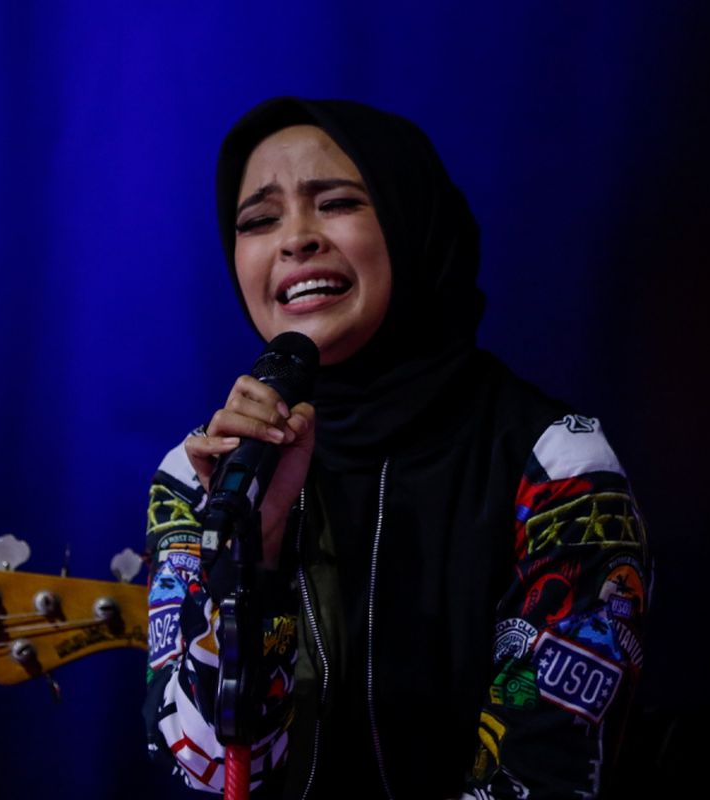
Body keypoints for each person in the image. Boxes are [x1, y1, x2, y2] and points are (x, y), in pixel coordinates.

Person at [142, 97, 650, 800]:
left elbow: (547, 774)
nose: (295, 239)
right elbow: (209, 768)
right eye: (259, 219)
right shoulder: (202, 475)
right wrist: (249, 555)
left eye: (338, 203)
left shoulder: (557, 462)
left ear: (413, 223)